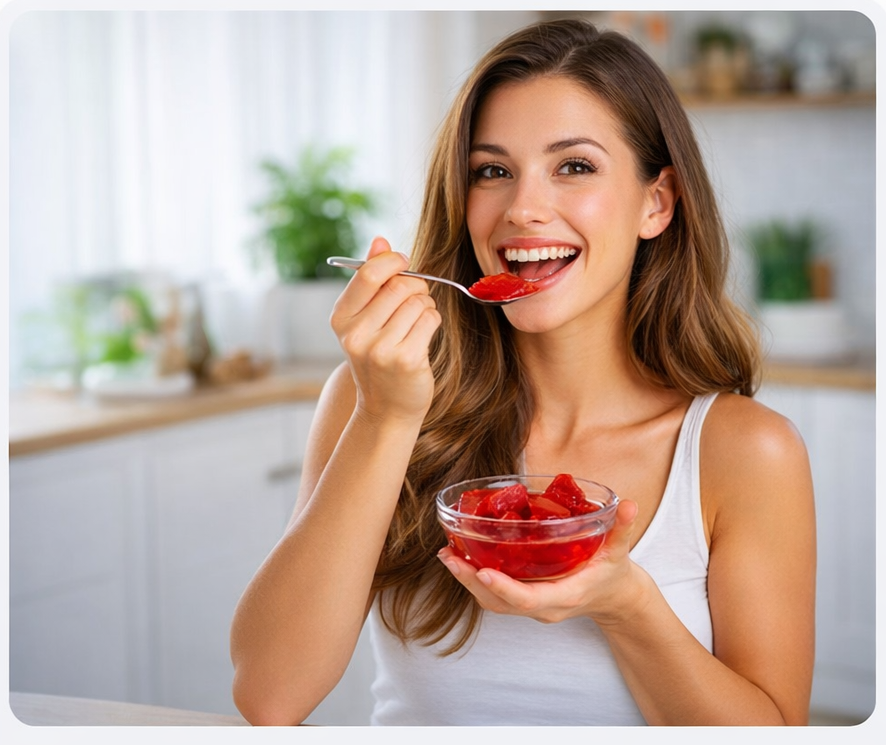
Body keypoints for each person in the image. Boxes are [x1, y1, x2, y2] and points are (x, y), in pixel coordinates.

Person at [229, 18, 816, 726]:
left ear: (656, 203)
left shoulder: (745, 451)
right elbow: (269, 694)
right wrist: (385, 417)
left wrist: (625, 603)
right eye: (492, 171)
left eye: (574, 166)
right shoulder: (377, 397)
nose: (523, 209)